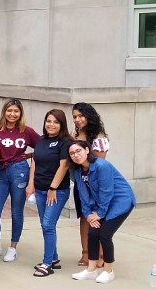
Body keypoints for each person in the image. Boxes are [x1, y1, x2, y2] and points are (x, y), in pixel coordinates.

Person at [68, 140, 135, 284]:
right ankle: (91, 270)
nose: (75, 155)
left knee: (105, 235)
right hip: (102, 204)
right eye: (72, 153)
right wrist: (88, 215)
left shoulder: (101, 166)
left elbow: (107, 191)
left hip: (120, 201)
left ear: (87, 150)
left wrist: (99, 214)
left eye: (78, 151)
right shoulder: (78, 171)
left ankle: (108, 271)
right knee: (92, 233)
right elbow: (83, 195)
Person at [0, 99, 39, 262]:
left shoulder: (26, 130)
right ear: (4, 111)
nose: (12, 114)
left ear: (20, 113)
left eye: (16, 111)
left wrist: (31, 155)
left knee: (16, 211)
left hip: (19, 170)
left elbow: (42, 147)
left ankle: (13, 247)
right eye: (9, 110)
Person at [27, 109, 71, 277]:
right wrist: (31, 184)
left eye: (55, 122)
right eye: (48, 121)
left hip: (57, 191)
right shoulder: (41, 140)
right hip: (39, 189)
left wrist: (53, 188)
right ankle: (54, 258)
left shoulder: (64, 142)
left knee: (48, 225)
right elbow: (35, 162)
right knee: (46, 226)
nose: (51, 125)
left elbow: (64, 166)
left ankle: (47, 263)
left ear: (62, 124)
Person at [72, 102, 109, 267]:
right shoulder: (75, 133)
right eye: (74, 117)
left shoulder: (99, 137)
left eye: (81, 116)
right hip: (80, 183)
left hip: (96, 184)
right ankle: (85, 253)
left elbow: (101, 164)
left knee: (98, 218)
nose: (78, 119)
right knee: (84, 217)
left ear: (89, 116)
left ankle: (101, 253)